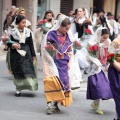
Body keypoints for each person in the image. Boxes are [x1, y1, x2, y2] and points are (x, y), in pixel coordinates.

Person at [41, 15, 73, 114]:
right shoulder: (51, 34)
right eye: (65, 28)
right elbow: (46, 48)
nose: (67, 31)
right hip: (51, 61)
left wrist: (69, 62)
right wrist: (51, 60)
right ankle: (49, 105)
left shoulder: (67, 36)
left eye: (68, 29)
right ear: (60, 25)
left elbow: (70, 50)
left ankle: (55, 104)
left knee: (62, 82)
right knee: (51, 82)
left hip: (63, 62)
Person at [6, 15, 38, 96]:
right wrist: (13, 45)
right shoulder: (12, 32)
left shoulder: (28, 31)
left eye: (25, 22)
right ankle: (18, 88)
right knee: (18, 71)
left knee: (27, 70)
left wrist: (33, 55)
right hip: (16, 54)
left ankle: (30, 85)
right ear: (18, 23)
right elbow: (8, 43)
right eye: (22, 22)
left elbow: (31, 44)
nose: (24, 24)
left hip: (27, 54)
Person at [86, 27, 113, 115]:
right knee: (98, 86)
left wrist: (109, 64)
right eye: (104, 37)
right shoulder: (92, 43)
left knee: (103, 86)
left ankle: (95, 103)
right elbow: (89, 56)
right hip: (94, 67)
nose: (105, 39)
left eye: (107, 37)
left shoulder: (108, 43)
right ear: (99, 35)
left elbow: (111, 53)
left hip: (104, 66)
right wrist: (96, 62)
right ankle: (97, 106)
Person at [108, 36, 120, 120]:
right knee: (118, 95)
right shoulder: (116, 42)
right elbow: (110, 56)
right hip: (116, 71)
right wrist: (117, 66)